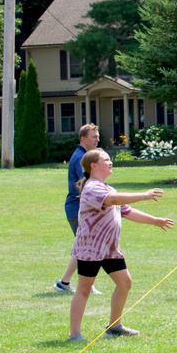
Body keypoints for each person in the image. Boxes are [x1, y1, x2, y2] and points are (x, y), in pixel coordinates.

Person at [67, 149, 174, 341]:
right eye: (106, 160)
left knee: (125, 283)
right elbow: (112, 201)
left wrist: (155, 220)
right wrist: (143, 195)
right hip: (90, 248)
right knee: (84, 288)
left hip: (109, 248)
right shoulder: (92, 187)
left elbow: (126, 211)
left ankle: (114, 327)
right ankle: (74, 334)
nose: (110, 162)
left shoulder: (108, 188)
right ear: (93, 166)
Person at [54, 124, 103, 295]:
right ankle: (85, 285)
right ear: (83, 139)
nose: (97, 139)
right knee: (87, 246)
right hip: (78, 210)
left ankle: (64, 283)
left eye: (98, 136)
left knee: (83, 245)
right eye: (94, 136)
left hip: (80, 209)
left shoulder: (85, 157)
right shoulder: (81, 159)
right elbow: (87, 185)